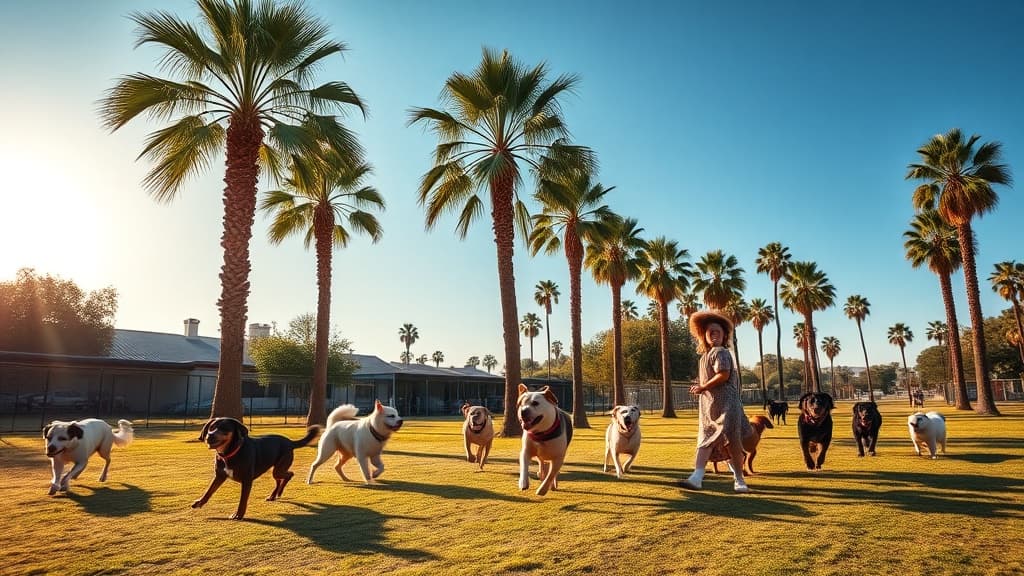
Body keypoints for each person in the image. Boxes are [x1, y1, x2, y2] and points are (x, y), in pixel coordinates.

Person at [678, 309, 752, 493]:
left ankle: (739, 480)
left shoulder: (721, 352)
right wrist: (701, 386)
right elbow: (710, 378)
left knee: (731, 442)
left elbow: (723, 374)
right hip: (709, 407)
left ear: (724, 334)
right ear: (704, 335)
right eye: (710, 332)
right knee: (705, 440)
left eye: (717, 331)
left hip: (727, 405)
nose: (714, 335)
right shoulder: (704, 357)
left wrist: (703, 387)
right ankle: (696, 478)